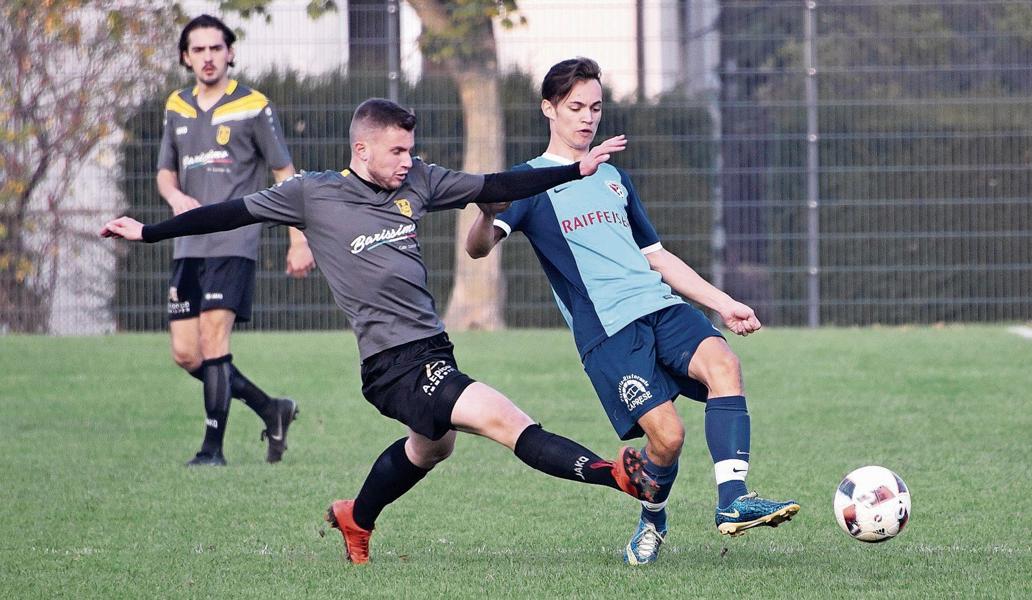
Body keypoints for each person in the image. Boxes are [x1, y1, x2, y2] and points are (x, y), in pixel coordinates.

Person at [102, 98, 658, 565]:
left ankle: (355, 517)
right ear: (361, 149)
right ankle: (614, 475)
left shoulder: (418, 180)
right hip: (392, 365)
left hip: (432, 346)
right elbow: (228, 214)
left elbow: (496, 182)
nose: (406, 160)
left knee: (432, 448)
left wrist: (573, 170)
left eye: (410, 149)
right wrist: (150, 231)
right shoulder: (311, 194)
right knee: (506, 420)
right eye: (396, 150)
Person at [465, 57, 800, 565]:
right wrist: (488, 212)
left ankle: (733, 500)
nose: (587, 117)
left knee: (724, 365)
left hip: (661, 308)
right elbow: (478, 248)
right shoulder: (528, 183)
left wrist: (724, 303)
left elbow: (657, 256)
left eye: (595, 107)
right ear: (548, 109)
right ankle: (653, 517)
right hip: (607, 333)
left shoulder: (615, 178)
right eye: (576, 106)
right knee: (667, 438)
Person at [158, 15, 315, 466]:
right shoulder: (177, 106)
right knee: (188, 354)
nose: (207, 57)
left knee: (214, 338)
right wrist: (174, 195)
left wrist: (297, 240)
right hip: (187, 244)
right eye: (198, 50)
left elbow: (286, 176)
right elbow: (165, 172)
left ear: (230, 52)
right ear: (186, 57)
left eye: (215, 48)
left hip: (234, 240)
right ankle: (271, 408)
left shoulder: (253, 105)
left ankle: (212, 450)